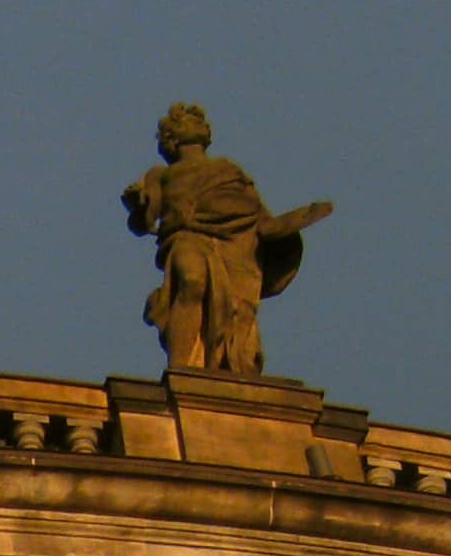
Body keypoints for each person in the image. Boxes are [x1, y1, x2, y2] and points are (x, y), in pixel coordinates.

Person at [120, 104, 331, 375]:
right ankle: (182, 368)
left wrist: (297, 220)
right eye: (184, 122)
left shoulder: (228, 170)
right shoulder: (160, 175)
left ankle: (219, 364)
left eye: (197, 121)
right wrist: (136, 207)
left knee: (234, 309)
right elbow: (144, 222)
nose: (196, 124)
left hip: (235, 242)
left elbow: (259, 217)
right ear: (171, 138)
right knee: (192, 279)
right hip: (188, 237)